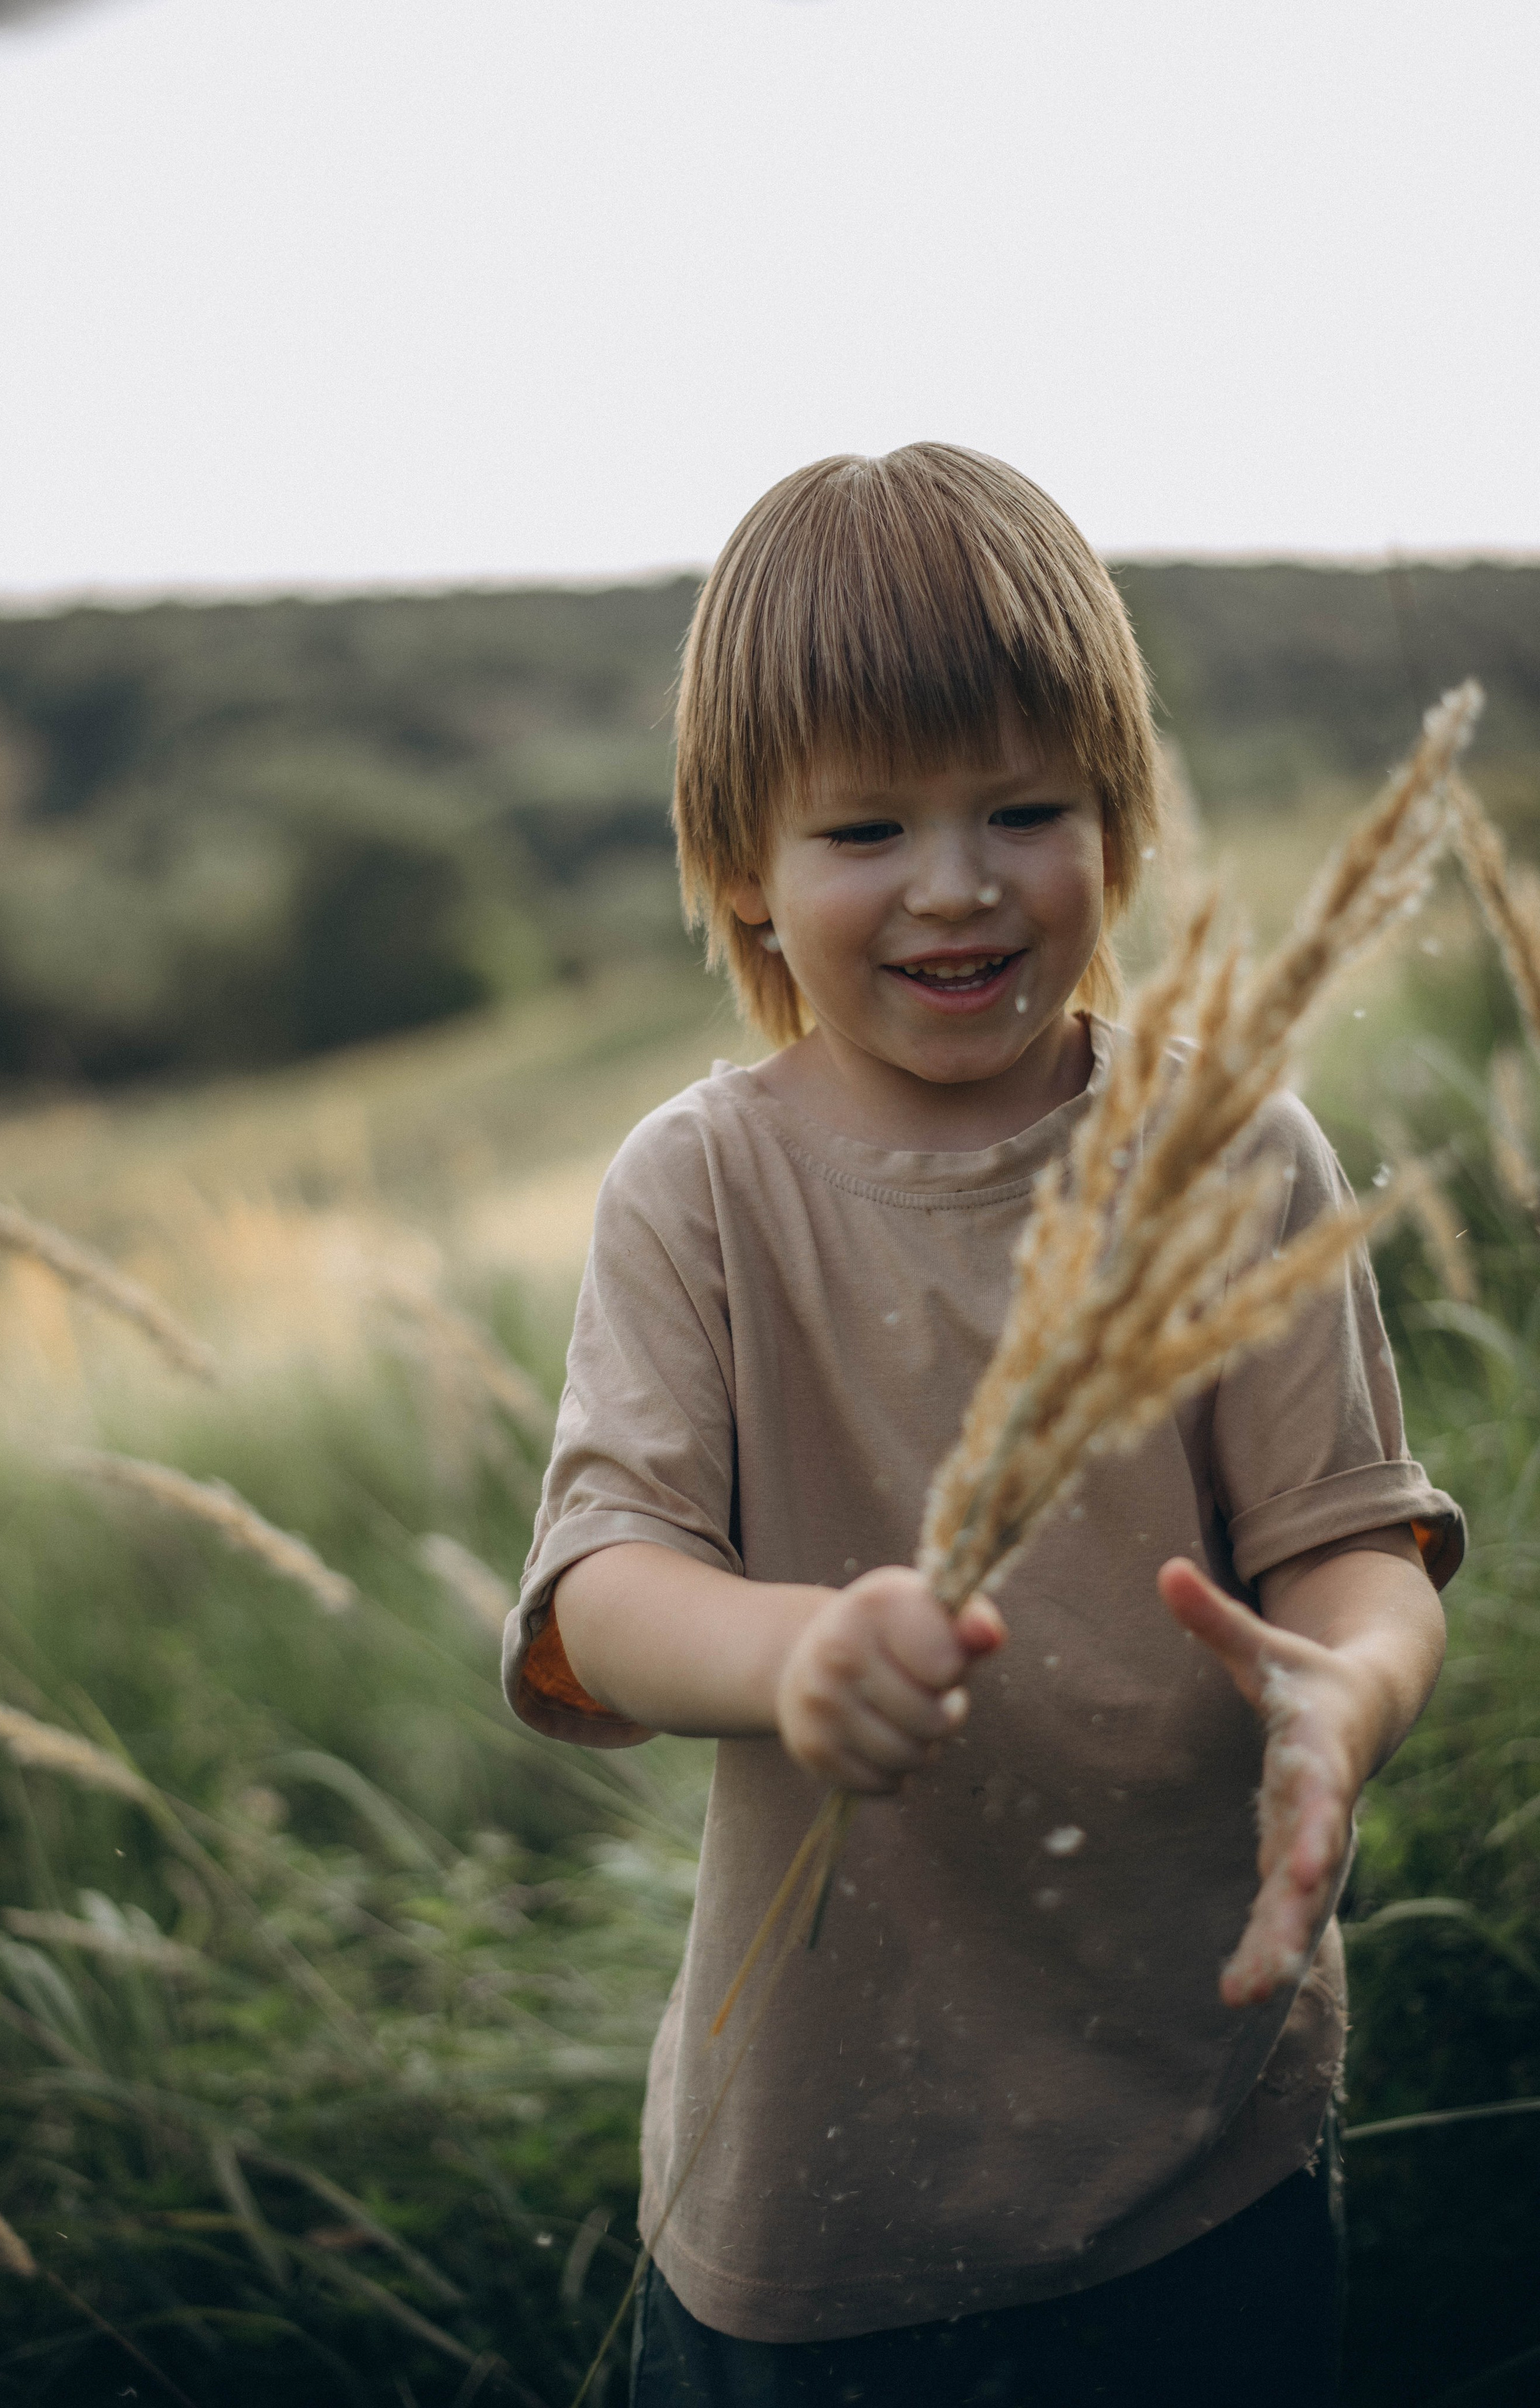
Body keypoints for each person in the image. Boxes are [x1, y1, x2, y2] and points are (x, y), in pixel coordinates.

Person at [502, 445, 1463, 2407]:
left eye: (1025, 808)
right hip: (821, 2213)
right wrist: (795, 1647)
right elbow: (602, 1589)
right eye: (865, 828)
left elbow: (1348, 1546)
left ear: (1120, 823)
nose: (956, 881)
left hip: (1206, 2147)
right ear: (742, 867)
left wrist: (1349, 1689)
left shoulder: (1227, 1154)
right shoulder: (699, 1192)